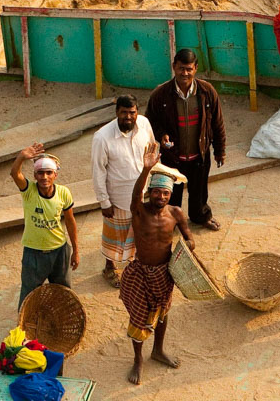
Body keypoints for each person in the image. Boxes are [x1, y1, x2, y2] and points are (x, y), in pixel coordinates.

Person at [120, 145, 190, 384]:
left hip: (164, 274)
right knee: (139, 318)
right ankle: (138, 360)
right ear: (149, 192)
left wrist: (188, 247)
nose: (161, 197)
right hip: (141, 273)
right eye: (157, 192)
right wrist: (146, 169)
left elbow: (189, 238)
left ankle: (158, 350)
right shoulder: (139, 211)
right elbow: (134, 197)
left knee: (162, 313)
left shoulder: (176, 213)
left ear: (171, 195)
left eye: (165, 193)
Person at [144, 49, 225, 231]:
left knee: (199, 192)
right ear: (174, 67)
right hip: (172, 157)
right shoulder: (160, 94)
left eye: (189, 69)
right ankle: (171, 222)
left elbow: (217, 123)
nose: (185, 73)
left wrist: (220, 151)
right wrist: (161, 134)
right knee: (171, 194)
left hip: (199, 155)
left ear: (196, 68)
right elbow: (150, 122)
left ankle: (201, 217)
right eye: (181, 68)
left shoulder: (207, 92)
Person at [91, 94, 157, 285]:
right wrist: (104, 202)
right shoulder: (102, 137)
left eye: (132, 112)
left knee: (137, 234)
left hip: (142, 193)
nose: (128, 117)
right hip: (117, 198)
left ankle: (134, 267)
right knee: (115, 238)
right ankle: (109, 268)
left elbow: (152, 148)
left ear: (137, 112)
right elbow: (98, 171)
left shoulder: (144, 124)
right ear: (116, 112)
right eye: (124, 112)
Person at [10, 143, 79, 306]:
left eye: (49, 173)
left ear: (55, 175)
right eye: (40, 173)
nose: (44, 177)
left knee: (63, 292)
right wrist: (21, 157)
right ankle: (26, 321)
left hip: (59, 251)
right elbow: (14, 173)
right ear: (35, 175)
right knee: (29, 294)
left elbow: (70, 221)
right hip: (33, 253)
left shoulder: (63, 193)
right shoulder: (29, 191)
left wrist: (75, 250)